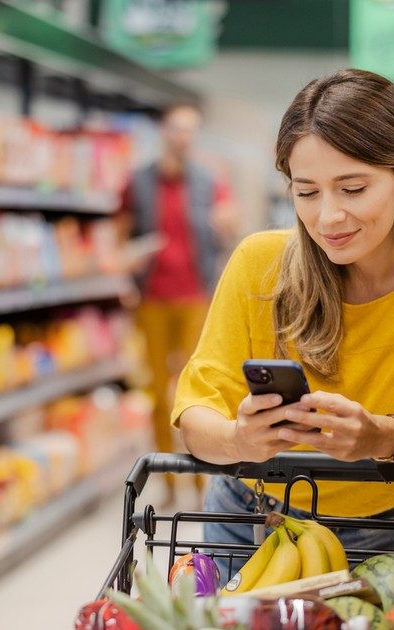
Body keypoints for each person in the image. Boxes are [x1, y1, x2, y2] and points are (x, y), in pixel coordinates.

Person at [170, 69, 394, 582]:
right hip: (244, 520)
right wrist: (239, 441)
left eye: (352, 188)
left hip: (380, 530)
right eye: (307, 192)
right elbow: (195, 415)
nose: (328, 217)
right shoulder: (260, 264)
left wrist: (380, 437)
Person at [123, 103, 237, 505]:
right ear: (163, 132)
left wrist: (226, 224)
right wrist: (127, 261)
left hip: (195, 297)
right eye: (175, 129)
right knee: (156, 390)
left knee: (197, 391)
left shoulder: (209, 181)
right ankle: (168, 480)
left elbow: (228, 224)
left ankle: (202, 480)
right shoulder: (138, 181)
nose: (182, 137)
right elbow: (120, 232)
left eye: (190, 130)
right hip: (152, 297)